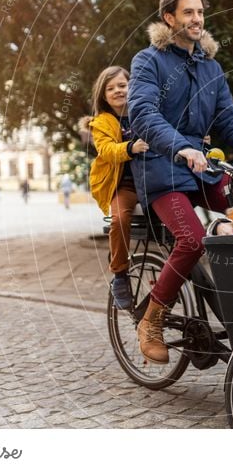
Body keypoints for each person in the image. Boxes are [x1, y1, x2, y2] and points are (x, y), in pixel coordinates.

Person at [129, 0, 233, 364]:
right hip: (162, 169)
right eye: (188, 12)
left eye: (201, 12)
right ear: (169, 18)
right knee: (191, 240)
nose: (197, 19)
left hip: (204, 169)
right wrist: (181, 146)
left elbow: (229, 121)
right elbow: (143, 114)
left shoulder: (211, 67)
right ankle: (151, 320)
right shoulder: (149, 61)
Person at [86, 66, 149, 309]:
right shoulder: (102, 122)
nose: (118, 91)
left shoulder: (143, 111)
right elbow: (106, 150)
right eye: (110, 88)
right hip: (124, 185)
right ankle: (120, 274)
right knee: (119, 219)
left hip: (151, 181)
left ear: (132, 86)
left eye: (122, 85)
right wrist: (130, 148)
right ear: (103, 95)